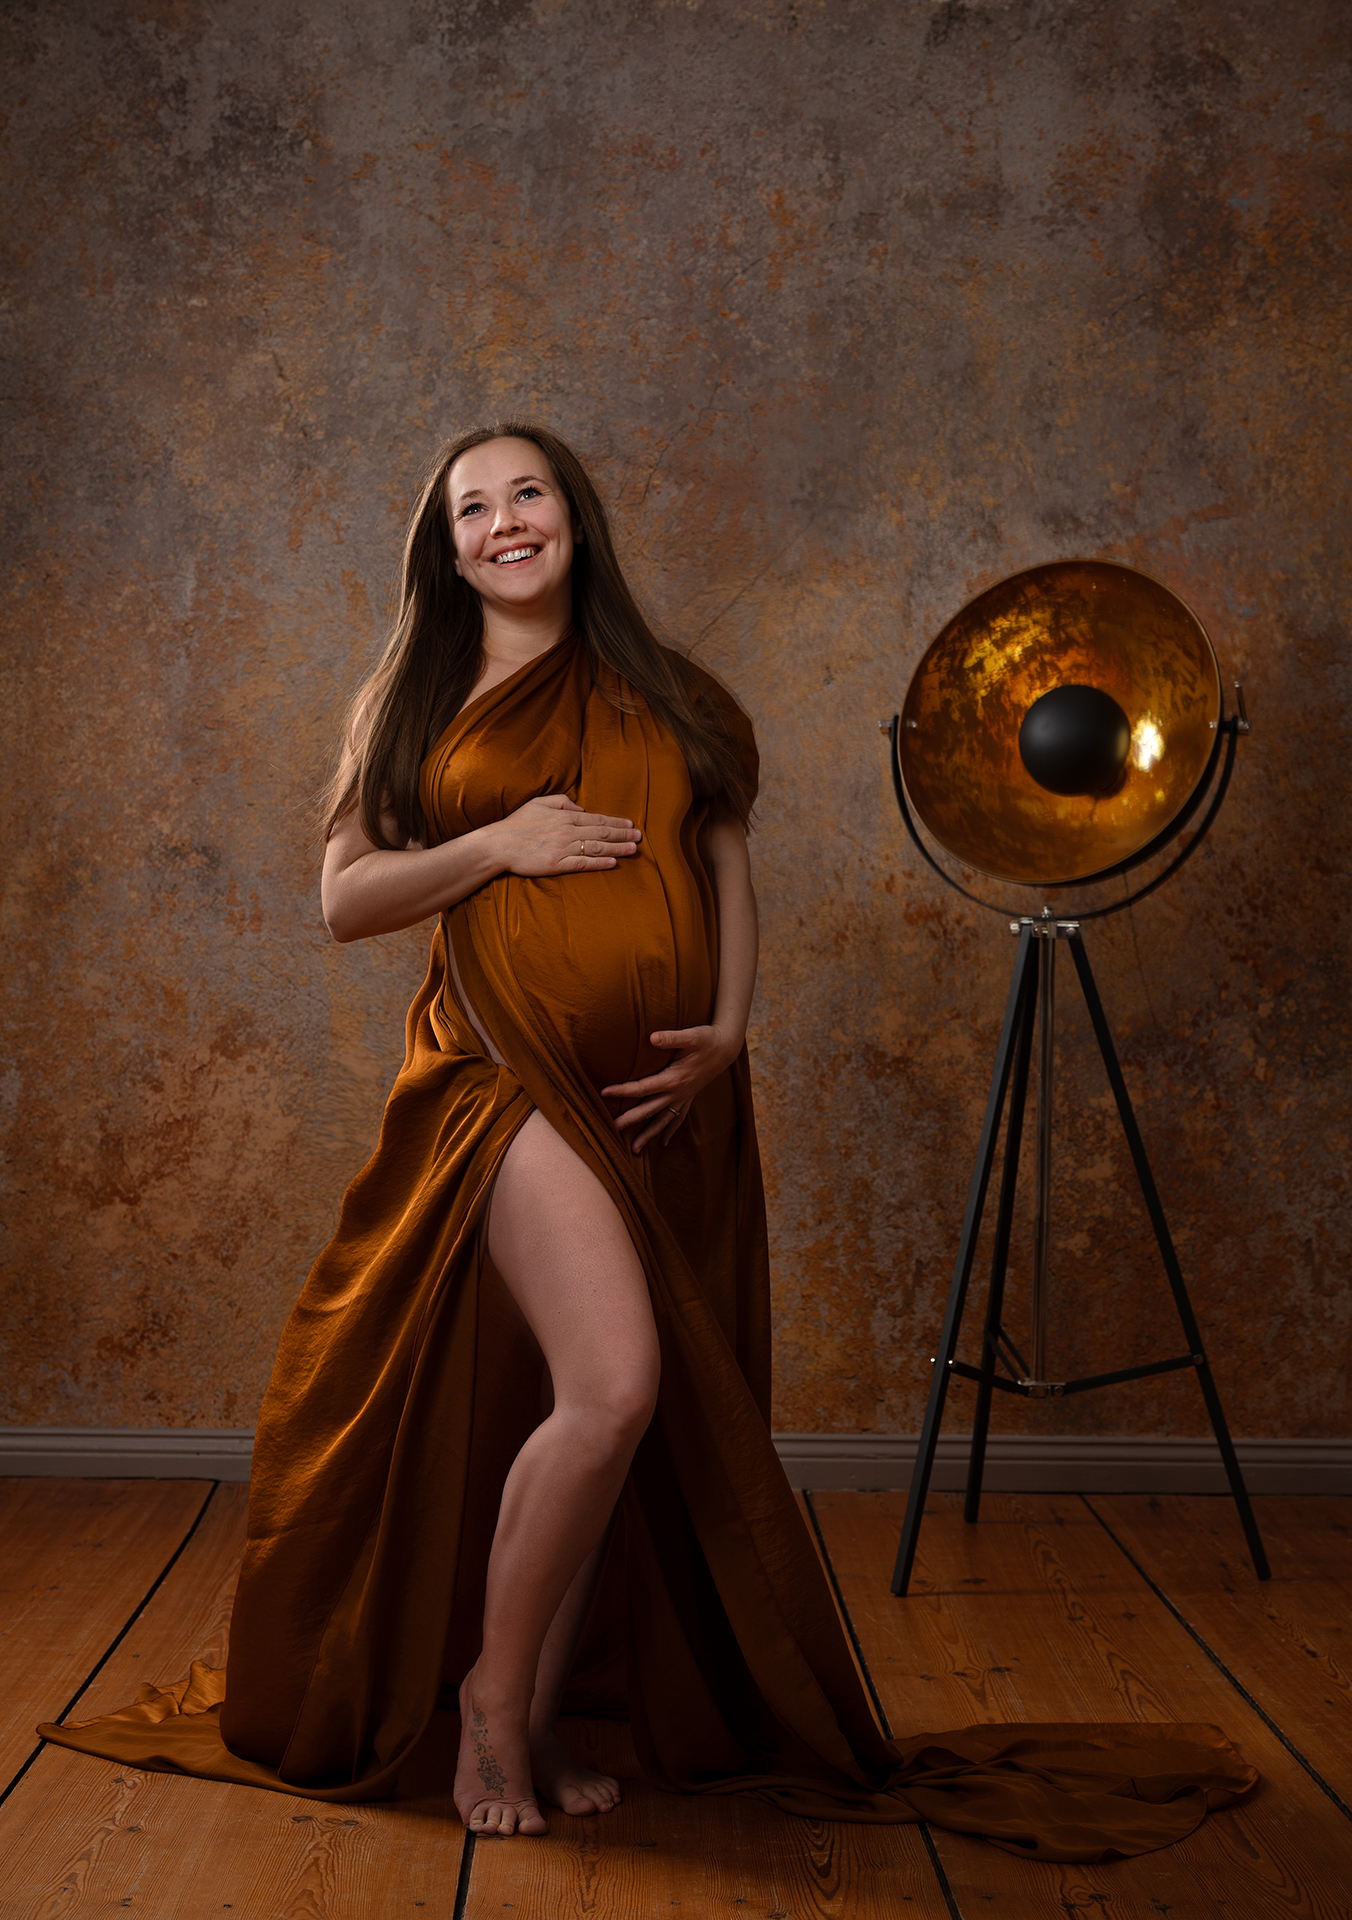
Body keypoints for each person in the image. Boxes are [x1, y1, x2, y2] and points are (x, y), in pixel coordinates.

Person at [42, 423, 1258, 1862]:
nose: (505, 523)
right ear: (446, 551)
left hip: (659, 1107)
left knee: (596, 1409)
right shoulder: (422, 696)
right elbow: (346, 901)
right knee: (616, 1385)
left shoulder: (678, 700)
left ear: (576, 514)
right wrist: (500, 844)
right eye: (472, 509)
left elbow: (721, 872)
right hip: (497, 1084)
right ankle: (494, 1700)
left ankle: (541, 1718)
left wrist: (730, 1031)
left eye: (528, 494)